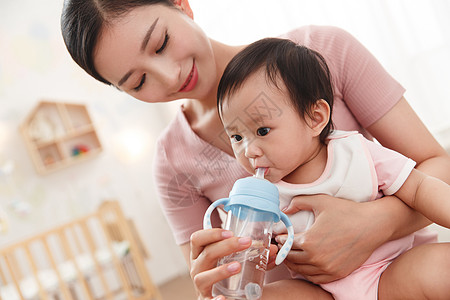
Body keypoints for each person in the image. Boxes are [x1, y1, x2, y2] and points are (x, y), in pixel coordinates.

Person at [60, 1, 450, 299]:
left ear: (181, 4)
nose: (170, 76)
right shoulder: (173, 162)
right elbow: (222, 280)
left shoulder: (320, 52)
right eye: (139, 81)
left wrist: (373, 224)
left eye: (161, 43)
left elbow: (436, 167)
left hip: (403, 274)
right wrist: (210, 282)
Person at [216, 37, 450, 299]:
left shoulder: (354, 151)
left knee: (439, 268)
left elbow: (419, 189)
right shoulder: (260, 196)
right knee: (258, 296)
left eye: (262, 130)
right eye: (236, 137)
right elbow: (261, 254)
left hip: (391, 269)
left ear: (315, 118)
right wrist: (261, 253)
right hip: (323, 291)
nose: (249, 150)